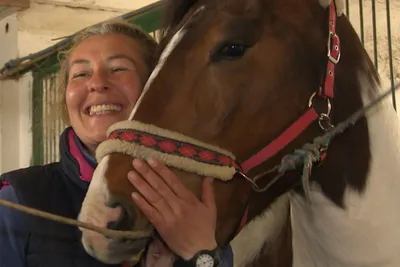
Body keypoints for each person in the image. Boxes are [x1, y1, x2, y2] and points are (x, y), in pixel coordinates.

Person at [0, 20, 232, 267]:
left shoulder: (193, 205)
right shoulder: (19, 200)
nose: (97, 83)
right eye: (81, 74)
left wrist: (201, 254)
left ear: (156, 88)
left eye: (119, 69)